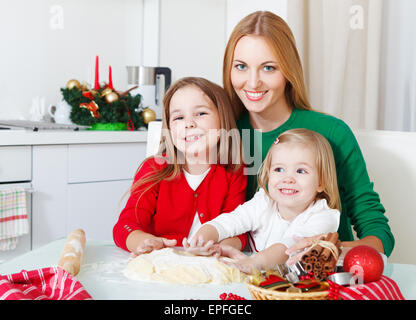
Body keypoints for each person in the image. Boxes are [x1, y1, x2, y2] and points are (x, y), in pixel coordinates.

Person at [221, 11, 394, 259]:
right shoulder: (222, 135)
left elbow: (379, 233)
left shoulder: (332, 132)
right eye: (241, 67)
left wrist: (330, 248)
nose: (253, 82)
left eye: (268, 68)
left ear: (288, 71)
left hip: (319, 283)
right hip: (245, 278)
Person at [113, 77, 248, 256]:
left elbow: (238, 230)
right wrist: (145, 243)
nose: (189, 123)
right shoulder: (154, 169)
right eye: (178, 117)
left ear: (223, 119)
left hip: (209, 268)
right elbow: (125, 226)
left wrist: (220, 248)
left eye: (201, 113)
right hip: (162, 267)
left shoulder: (234, 171)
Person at [184, 129, 341, 273]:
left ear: (321, 182)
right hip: (252, 277)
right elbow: (232, 220)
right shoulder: (265, 201)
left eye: (301, 171)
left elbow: (287, 248)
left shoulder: (324, 217)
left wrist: (253, 262)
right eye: (279, 169)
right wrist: (202, 239)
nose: (288, 179)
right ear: (268, 174)